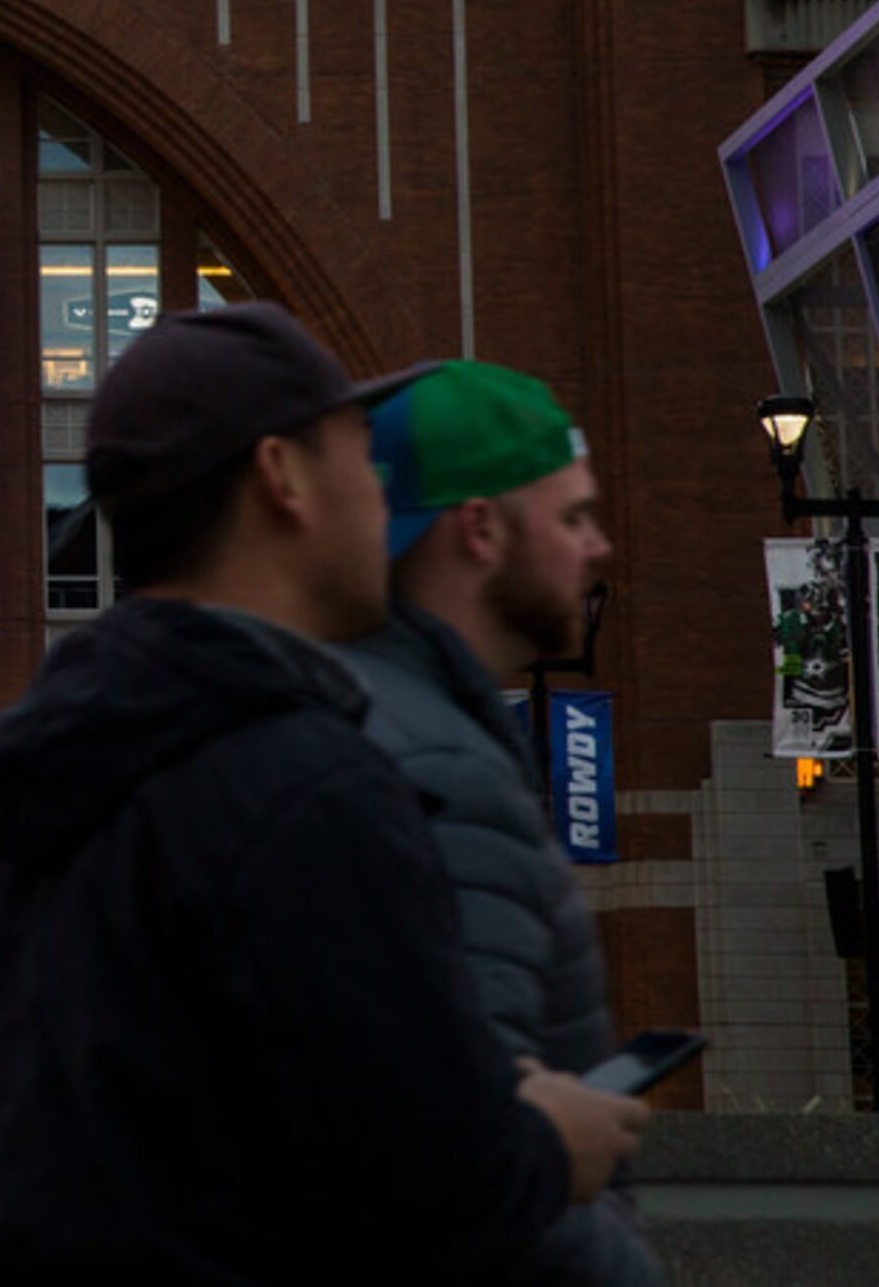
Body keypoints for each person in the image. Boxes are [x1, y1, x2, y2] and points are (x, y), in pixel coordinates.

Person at [0, 303, 649, 1282]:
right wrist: (549, 1140)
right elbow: (420, 1178)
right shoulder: (299, 780)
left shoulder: (39, 780)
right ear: (282, 477)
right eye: (356, 452)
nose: (377, 492)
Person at [345, 360, 663, 1286]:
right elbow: (469, 1151)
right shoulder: (440, 769)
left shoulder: (367, 718)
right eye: (569, 517)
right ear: (478, 528)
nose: (598, 546)